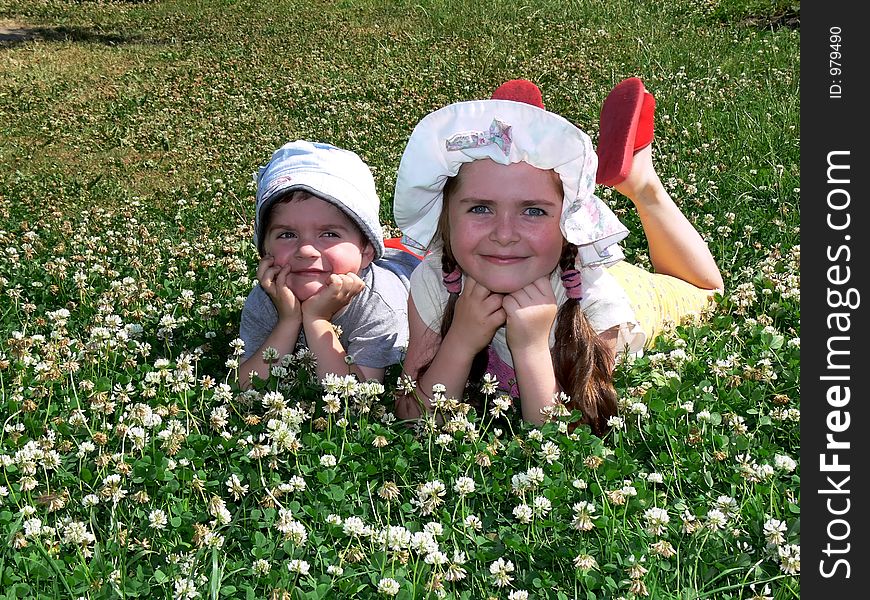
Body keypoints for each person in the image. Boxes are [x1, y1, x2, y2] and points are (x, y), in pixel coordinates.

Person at [391, 78, 723, 435]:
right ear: (446, 218)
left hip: (627, 291)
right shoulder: (434, 280)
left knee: (707, 291)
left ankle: (643, 184)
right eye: (480, 208)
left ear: (569, 221)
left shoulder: (595, 301)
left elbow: (573, 441)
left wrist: (532, 345)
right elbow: (412, 415)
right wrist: (460, 339)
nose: (504, 234)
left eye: (533, 211)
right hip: (556, 261)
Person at [238, 140, 419, 387]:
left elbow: (355, 399)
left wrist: (316, 320)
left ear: (367, 250)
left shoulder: (380, 306)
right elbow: (246, 388)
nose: (305, 250)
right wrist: (288, 320)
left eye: (329, 234)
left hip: (414, 265)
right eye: (287, 235)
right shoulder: (265, 298)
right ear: (265, 250)